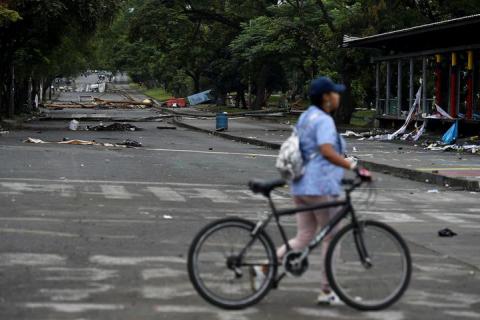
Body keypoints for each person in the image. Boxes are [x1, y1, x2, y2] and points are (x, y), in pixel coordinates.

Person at [251, 76, 371, 305]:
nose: (338, 97)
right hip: (319, 186)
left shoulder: (306, 116)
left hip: (300, 185)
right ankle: (327, 290)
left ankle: (264, 267)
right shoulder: (324, 120)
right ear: (326, 98)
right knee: (332, 236)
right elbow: (326, 150)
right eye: (335, 93)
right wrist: (353, 166)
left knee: (304, 235)